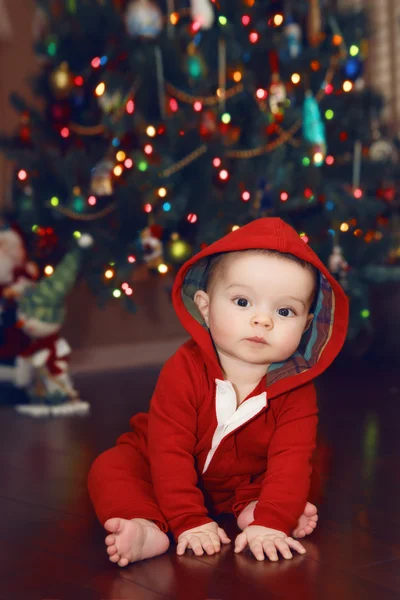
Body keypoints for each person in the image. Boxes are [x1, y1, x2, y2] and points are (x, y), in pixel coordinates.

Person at [88, 217, 348, 565]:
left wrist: (273, 523)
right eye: (242, 302)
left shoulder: (296, 387)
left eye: (284, 310)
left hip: (241, 483)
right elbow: (169, 452)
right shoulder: (184, 368)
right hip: (159, 466)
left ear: (305, 326)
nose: (262, 320)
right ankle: (146, 524)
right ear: (206, 308)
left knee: (299, 477)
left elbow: (290, 459)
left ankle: (258, 512)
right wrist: (188, 521)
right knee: (111, 467)